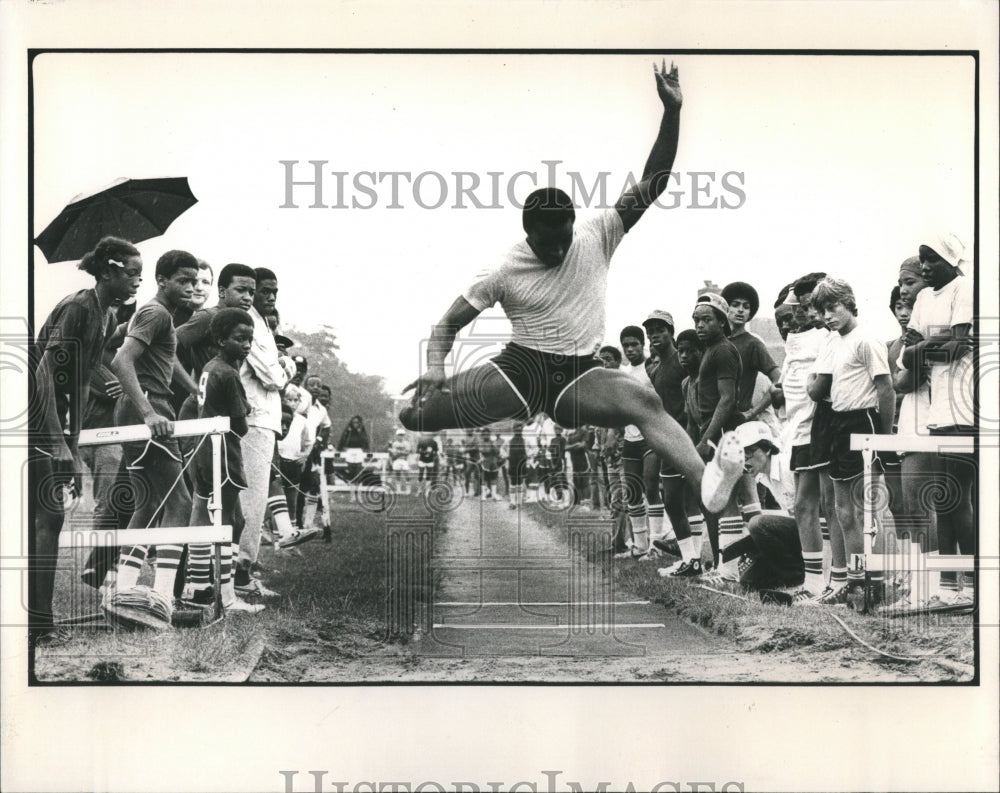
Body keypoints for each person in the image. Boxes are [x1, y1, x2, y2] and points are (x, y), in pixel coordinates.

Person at [398, 61, 743, 524]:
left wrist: (672, 111)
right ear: (528, 234)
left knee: (645, 403)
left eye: (566, 237)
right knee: (414, 416)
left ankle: (708, 485)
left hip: (579, 374)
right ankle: (420, 409)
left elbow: (654, 181)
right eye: (549, 242)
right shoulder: (502, 269)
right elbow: (447, 325)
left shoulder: (596, 234)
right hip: (520, 370)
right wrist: (436, 369)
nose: (561, 249)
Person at [29, 237, 141, 645]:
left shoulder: (107, 317)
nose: (137, 281)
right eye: (131, 273)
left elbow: (76, 383)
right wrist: (59, 445)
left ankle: (40, 622)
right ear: (107, 271)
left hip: (57, 423)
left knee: (48, 519)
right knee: (46, 520)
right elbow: (43, 374)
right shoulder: (78, 307)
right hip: (33, 417)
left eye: (140, 275)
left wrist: (72, 445)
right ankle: (38, 626)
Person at [102, 250, 202, 630]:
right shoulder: (156, 312)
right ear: (162, 280)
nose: (192, 288)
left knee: (148, 503)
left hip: (143, 404)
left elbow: (159, 354)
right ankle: (162, 596)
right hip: (151, 410)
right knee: (180, 500)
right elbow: (120, 359)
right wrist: (146, 409)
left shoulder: (160, 317)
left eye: (195, 281)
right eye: (183, 280)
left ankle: (125, 593)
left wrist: (194, 388)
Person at [808, 277, 895, 609]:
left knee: (863, 509)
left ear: (849, 303)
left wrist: (884, 440)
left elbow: (886, 389)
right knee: (842, 511)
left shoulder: (866, 340)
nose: (828, 315)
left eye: (833, 307)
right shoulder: (835, 341)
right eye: (822, 310)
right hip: (838, 424)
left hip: (863, 421)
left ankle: (867, 583)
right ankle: (853, 582)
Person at [901, 233, 975, 609]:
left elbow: (960, 346)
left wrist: (922, 349)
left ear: (950, 259)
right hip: (937, 410)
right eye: (922, 259)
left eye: (932, 259)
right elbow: (905, 353)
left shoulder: (964, 288)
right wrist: (931, 344)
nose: (926, 267)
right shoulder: (925, 299)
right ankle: (948, 587)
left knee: (958, 497)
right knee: (943, 498)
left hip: (965, 406)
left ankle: (975, 583)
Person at [185, 308, 264, 614]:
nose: (246, 345)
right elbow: (240, 424)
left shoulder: (209, 366)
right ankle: (226, 596)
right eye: (239, 339)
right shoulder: (229, 373)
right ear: (220, 339)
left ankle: (199, 587)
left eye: (250, 339)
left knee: (230, 519)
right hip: (223, 453)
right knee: (227, 521)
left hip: (203, 451)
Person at [236, 267, 293, 597]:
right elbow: (273, 376)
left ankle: (244, 569)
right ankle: (241, 572)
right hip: (254, 418)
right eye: (264, 291)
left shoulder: (265, 326)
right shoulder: (252, 326)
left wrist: (283, 366)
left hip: (264, 419)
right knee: (251, 501)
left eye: (275, 291)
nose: (270, 297)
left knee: (254, 500)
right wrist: (287, 366)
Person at [642, 310, 688, 556]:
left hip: (687, 433)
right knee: (669, 498)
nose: (654, 336)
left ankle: (710, 557)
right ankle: (683, 551)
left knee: (692, 498)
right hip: (666, 435)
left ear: (671, 332)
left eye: (660, 330)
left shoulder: (683, 359)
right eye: (650, 332)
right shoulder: (655, 367)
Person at [617, 325, 661, 554]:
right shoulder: (622, 373)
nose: (630, 349)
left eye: (634, 344)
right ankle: (640, 545)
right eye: (626, 345)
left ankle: (656, 544)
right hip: (630, 437)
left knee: (651, 486)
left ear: (643, 344)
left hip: (650, 436)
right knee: (633, 490)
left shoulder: (652, 368)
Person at [506, 422, 529, 509]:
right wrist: (505, 455)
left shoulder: (525, 441)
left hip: (522, 464)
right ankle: (512, 502)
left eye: (520, 430)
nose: (518, 431)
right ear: (513, 430)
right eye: (516, 430)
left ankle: (519, 502)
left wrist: (528, 455)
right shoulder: (509, 441)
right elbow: (503, 450)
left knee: (520, 482)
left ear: (522, 430)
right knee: (513, 482)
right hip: (512, 464)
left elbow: (532, 449)